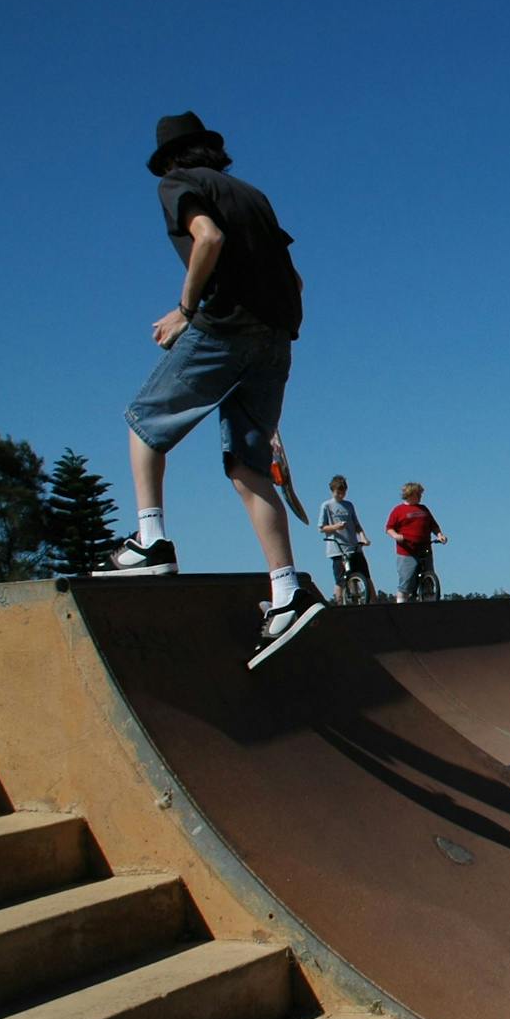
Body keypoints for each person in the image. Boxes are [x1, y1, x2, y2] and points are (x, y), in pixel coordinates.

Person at [94, 111, 322, 669]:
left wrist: (185, 311)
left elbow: (208, 237)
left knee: (144, 422)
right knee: (247, 466)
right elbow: (296, 280)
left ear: (171, 160)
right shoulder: (254, 195)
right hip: (277, 335)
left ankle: (151, 541)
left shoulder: (178, 185)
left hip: (227, 325)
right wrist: (272, 334)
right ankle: (288, 592)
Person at [385, 482, 447, 602]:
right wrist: (396, 536)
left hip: (425, 548)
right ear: (409, 495)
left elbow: (433, 525)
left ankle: (429, 602)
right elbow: (389, 528)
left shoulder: (423, 509)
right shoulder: (398, 510)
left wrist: (440, 535)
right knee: (406, 581)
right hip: (407, 551)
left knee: (429, 579)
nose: (420, 496)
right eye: (418, 494)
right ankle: (401, 604)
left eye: (420, 494)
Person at [319, 475, 374, 603]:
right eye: (338, 492)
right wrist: (335, 527)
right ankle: (339, 603)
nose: (340, 495)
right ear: (332, 491)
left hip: (353, 547)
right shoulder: (326, 506)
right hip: (337, 549)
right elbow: (322, 528)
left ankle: (372, 601)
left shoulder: (349, 505)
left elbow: (356, 524)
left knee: (365, 575)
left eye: (343, 492)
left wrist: (364, 538)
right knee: (340, 580)